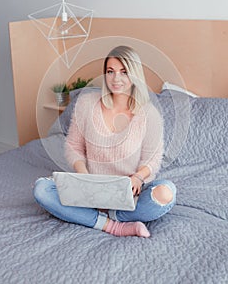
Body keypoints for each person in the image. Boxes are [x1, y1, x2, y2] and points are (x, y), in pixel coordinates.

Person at [34, 45, 176, 238]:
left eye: (124, 72)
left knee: (167, 193)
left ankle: (110, 215)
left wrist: (138, 177)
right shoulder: (86, 103)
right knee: (42, 190)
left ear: (134, 75)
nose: (116, 79)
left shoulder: (149, 114)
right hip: (90, 190)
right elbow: (74, 146)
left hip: (128, 192)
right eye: (110, 71)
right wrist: (84, 176)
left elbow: (153, 159)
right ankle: (113, 225)